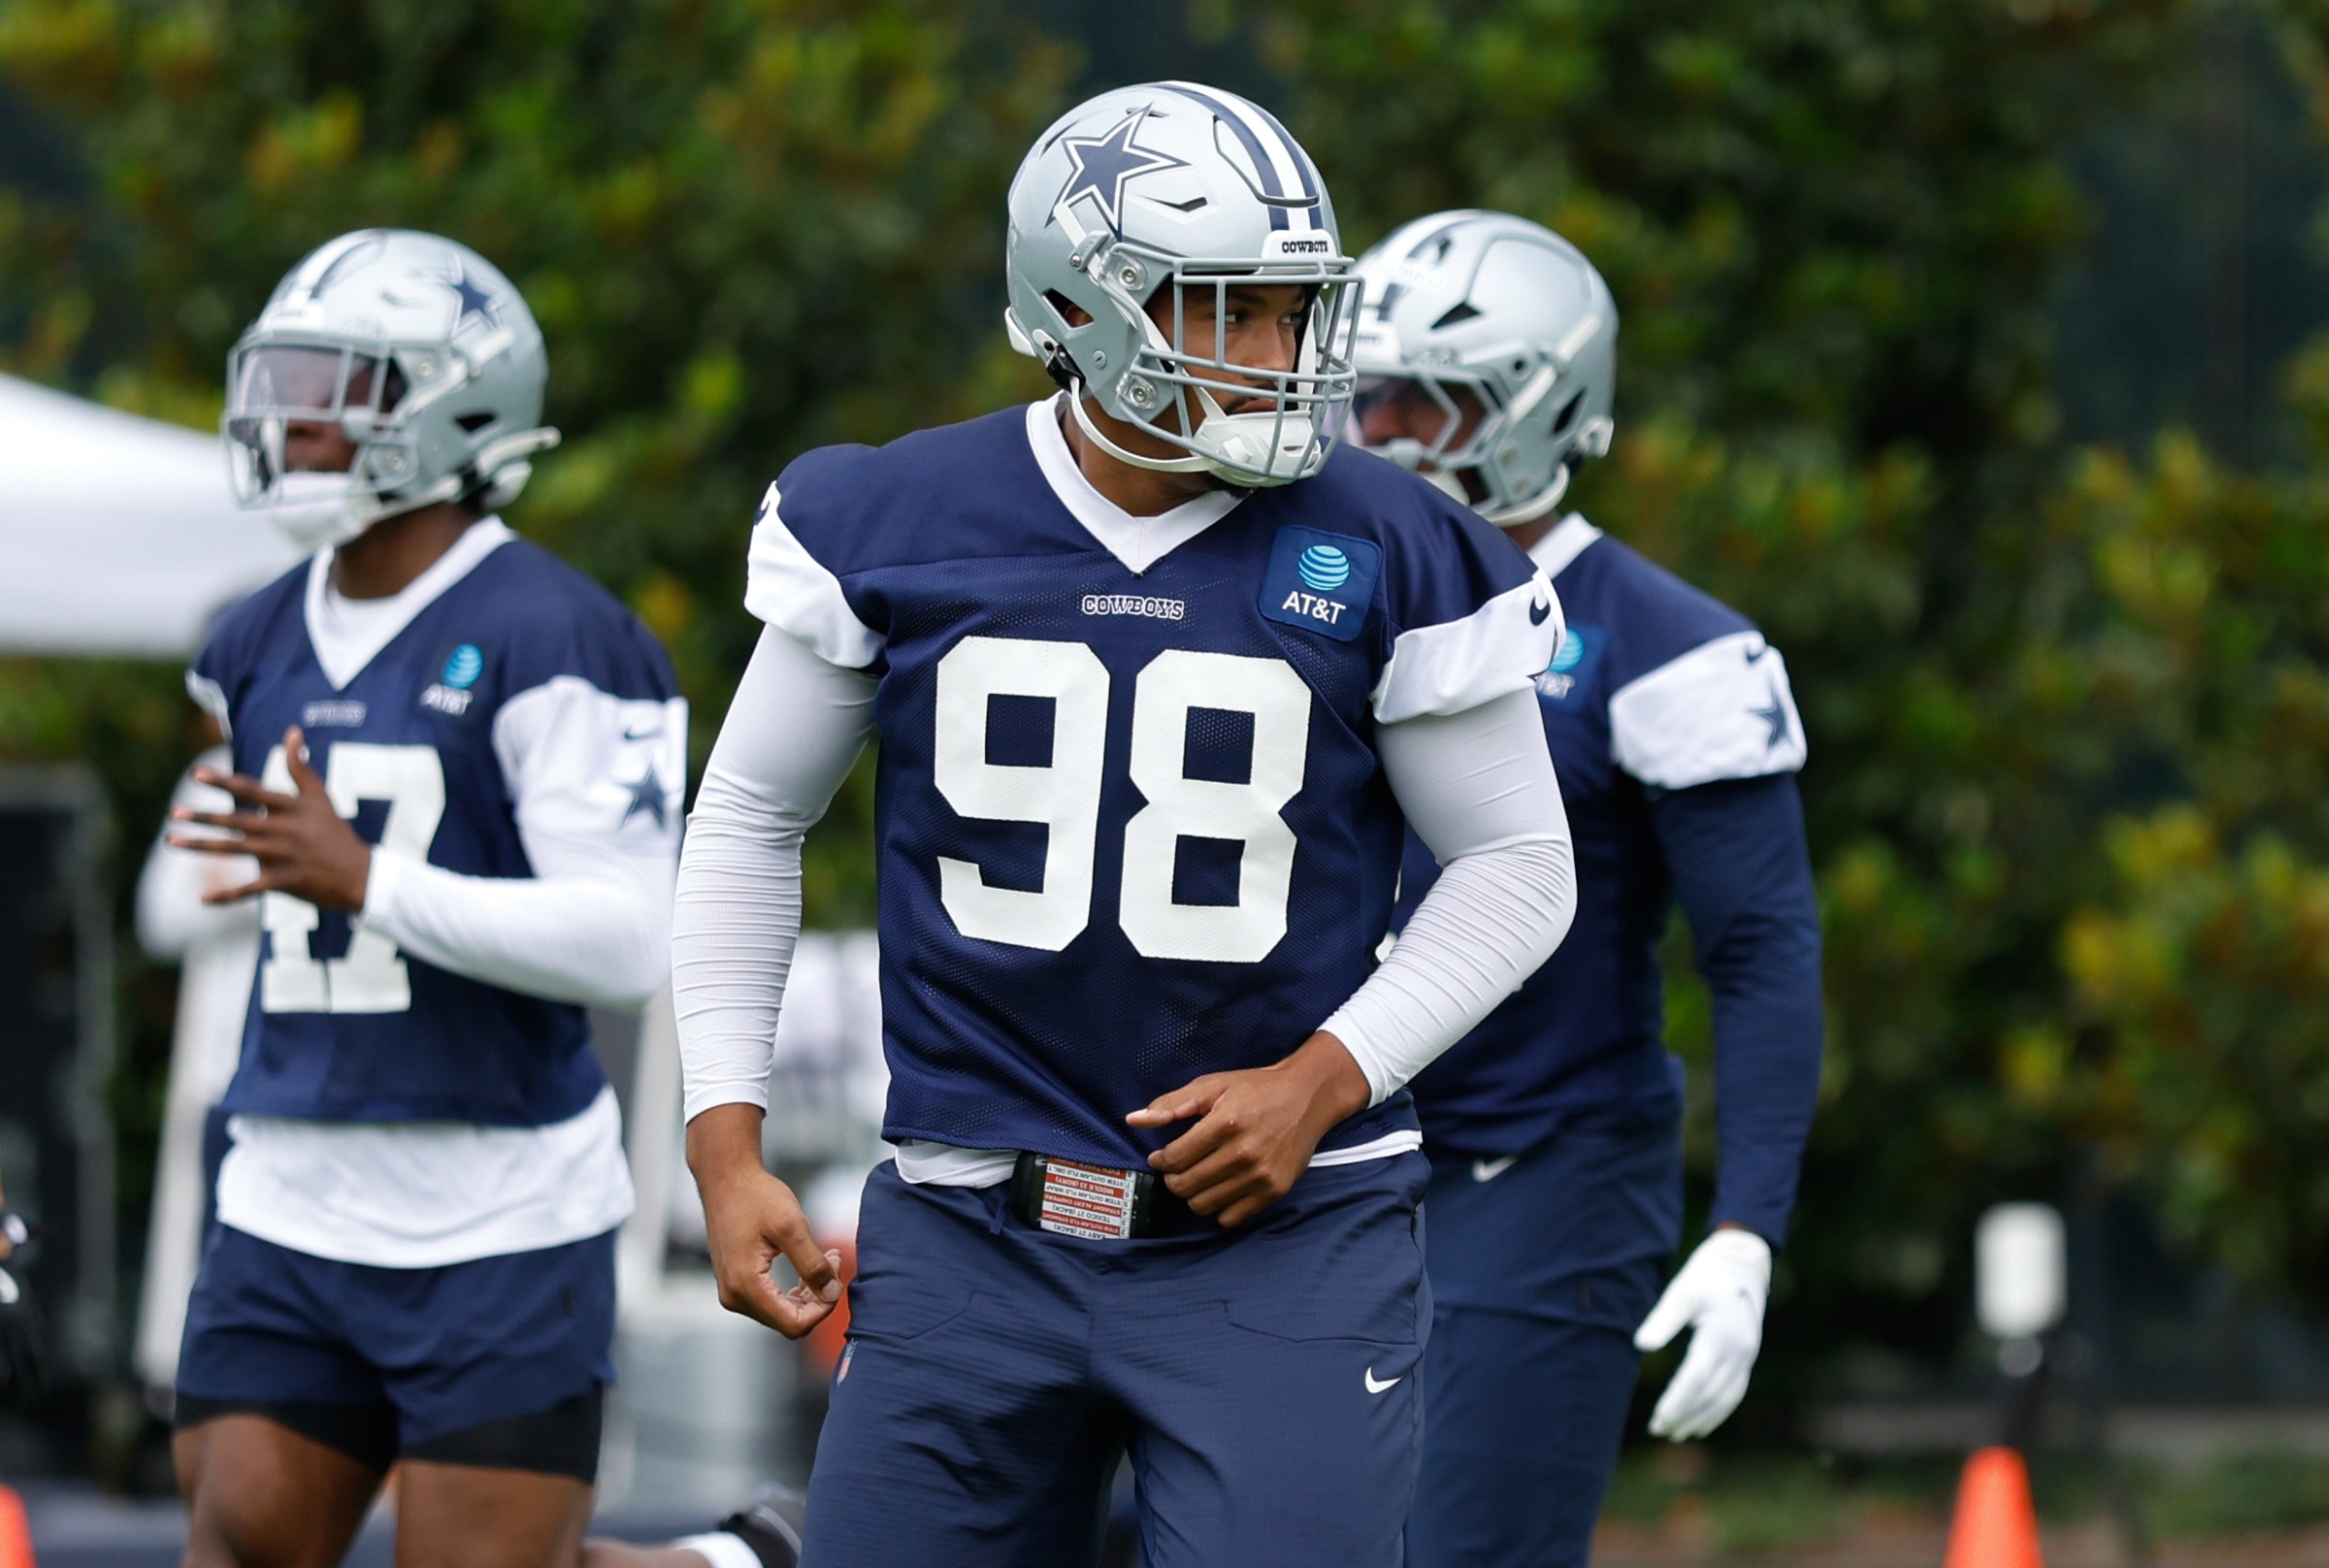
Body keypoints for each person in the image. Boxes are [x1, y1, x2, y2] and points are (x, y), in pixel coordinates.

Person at [674, 82, 1579, 1568]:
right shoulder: (900, 516)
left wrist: (1322, 1079)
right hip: (969, 1225)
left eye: (1294, 312)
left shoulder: (1397, 545)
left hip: (1285, 1241)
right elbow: (750, 817)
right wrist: (725, 1142)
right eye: (1229, 311)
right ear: (1083, 305)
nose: (1278, 356)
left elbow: (1520, 867)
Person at [162, 228, 793, 1568]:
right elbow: (195, 895)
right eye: (283, 382)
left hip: (500, 1204)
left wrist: (367, 879)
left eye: (333, 386)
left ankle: (721, 1564)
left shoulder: (559, 636)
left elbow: (626, 940)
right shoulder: (254, 635)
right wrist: (235, 880)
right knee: (244, 1542)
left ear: (451, 406)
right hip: (288, 1185)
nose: (291, 418)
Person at [1351, 210, 1825, 1566]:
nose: (1377, 429)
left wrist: (1748, 1229)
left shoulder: (1666, 648)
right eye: (1365, 391)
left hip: (1539, 1170)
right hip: (1332, 1157)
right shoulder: (1321, 589)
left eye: (1423, 399)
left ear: (1537, 407)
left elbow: (1761, 952)